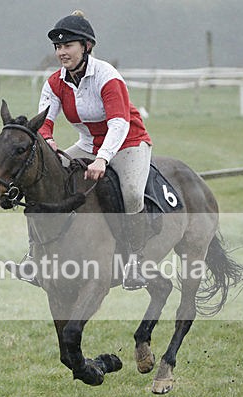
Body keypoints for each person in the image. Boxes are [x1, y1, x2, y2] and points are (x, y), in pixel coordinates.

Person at [37, 10, 153, 290]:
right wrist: (48, 141)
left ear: (86, 47)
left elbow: (119, 125)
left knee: (134, 194)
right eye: (58, 47)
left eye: (68, 46)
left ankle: (136, 262)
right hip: (88, 145)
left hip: (128, 143)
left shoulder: (107, 76)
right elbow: (43, 122)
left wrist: (102, 159)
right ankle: (37, 255)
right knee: (49, 179)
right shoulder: (55, 82)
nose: (62, 52)